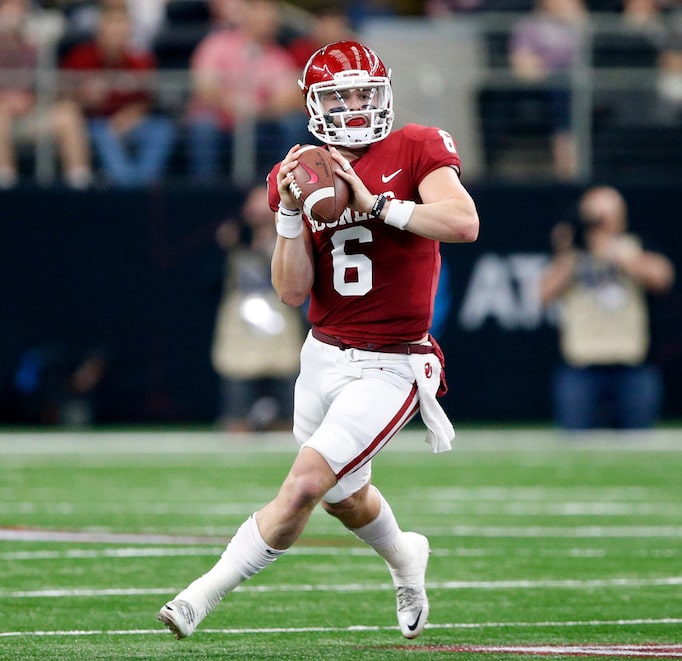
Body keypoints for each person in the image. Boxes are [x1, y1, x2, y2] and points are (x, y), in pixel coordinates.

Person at [158, 40, 479, 640]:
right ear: (314, 103)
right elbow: (289, 290)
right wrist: (285, 214)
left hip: (394, 363)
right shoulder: (301, 168)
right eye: (341, 94)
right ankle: (406, 556)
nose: (356, 105)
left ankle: (200, 596)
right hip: (323, 353)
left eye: (365, 92)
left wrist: (379, 205)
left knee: (305, 483)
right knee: (343, 499)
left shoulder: (417, 145)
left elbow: (463, 222)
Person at [539, 185, 675, 431]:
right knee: (574, 448)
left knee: (640, 446)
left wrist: (616, 253)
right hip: (582, 365)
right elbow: (543, 295)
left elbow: (663, 278)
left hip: (631, 364)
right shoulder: (571, 254)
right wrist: (568, 252)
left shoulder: (635, 246)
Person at [0, 0, 92, 188]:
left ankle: (80, 186)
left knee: (68, 114)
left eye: (19, 7)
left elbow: (52, 87)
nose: (13, 14)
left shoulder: (35, 46)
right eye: (8, 7)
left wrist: (32, 99)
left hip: (28, 118)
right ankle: (5, 186)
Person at [211, 185, 305, 432]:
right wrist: (222, 249)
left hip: (280, 318)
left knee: (289, 402)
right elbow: (206, 282)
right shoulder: (234, 240)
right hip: (240, 325)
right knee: (237, 392)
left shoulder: (294, 236)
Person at [185, 0, 306, 183]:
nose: (265, 20)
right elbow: (204, 87)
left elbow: (287, 99)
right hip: (221, 122)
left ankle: (279, 184)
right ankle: (206, 190)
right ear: (246, 17)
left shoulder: (278, 56)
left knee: (294, 123)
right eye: (260, 14)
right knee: (204, 126)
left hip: (261, 125)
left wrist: (258, 109)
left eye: (269, 16)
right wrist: (233, 104)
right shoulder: (217, 43)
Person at [60, 4, 176, 187]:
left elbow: (147, 100)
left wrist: (129, 117)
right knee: (102, 132)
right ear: (100, 29)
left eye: (121, 27)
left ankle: (142, 183)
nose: (116, 32)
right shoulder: (80, 57)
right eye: (111, 26)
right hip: (93, 121)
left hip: (130, 122)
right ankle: (127, 185)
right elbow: (63, 95)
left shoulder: (141, 61)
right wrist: (83, 97)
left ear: (128, 30)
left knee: (162, 130)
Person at [508, 0, 587, 180]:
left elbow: (587, 57)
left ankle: (570, 160)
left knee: (567, 89)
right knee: (561, 90)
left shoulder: (577, 24)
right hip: (542, 86)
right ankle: (567, 166)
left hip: (574, 85)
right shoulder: (529, 26)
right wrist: (547, 70)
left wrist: (577, 18)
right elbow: (522, 65)